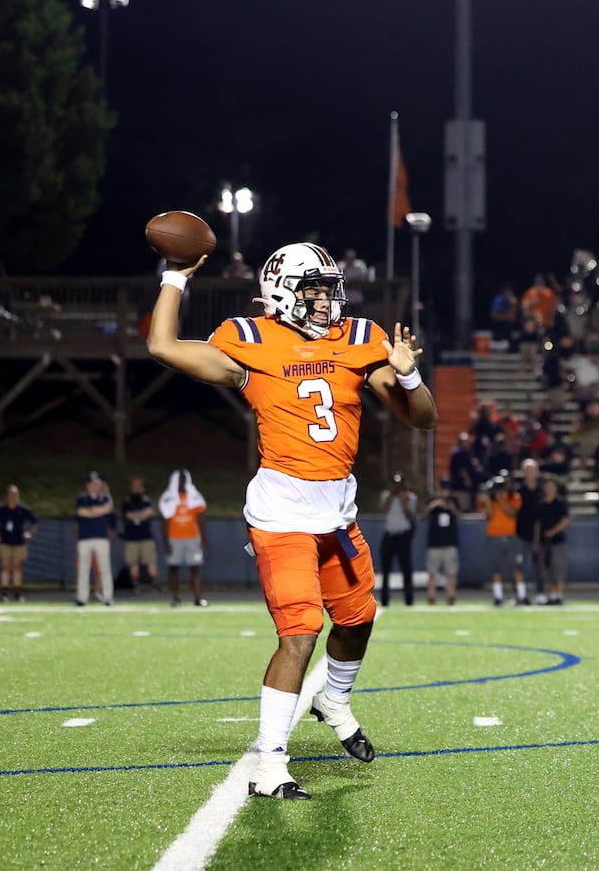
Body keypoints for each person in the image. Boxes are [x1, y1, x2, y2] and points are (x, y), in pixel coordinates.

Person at [147, 241, 437, 800]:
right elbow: (162, 345)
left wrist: (406, 377)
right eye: (315, 291)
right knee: (300, 634)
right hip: (282, 513)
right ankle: (269, 763)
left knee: (358, 618)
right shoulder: (251, 340)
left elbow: (422, 419)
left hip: (336, 511)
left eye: (330, 290)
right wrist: (175, 276)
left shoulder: (358, 339)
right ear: (282, 293)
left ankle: (334, 699)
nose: (328, 302)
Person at [159, 469, 209, 608]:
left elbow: (201, 518)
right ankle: (175, 598)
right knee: (173, 569)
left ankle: (198, 598)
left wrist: (204, 538)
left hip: (193, 537)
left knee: (195, 569)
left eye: (184, 479)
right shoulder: (168, 497)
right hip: (174, 538)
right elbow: (164, 520)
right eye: (179, 479)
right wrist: (165, 540)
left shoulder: (194, 497)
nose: (182, 482)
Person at [0, 484, 36, 602]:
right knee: (5, 567)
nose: (14, 497)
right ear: (7, 495)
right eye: (12, 494)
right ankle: (4, 593)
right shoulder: (1, 509)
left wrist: (30, 533)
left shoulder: (23, 509)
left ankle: (18, 593)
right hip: (5, 541)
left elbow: (36, 522)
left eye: (16, 494)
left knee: (17, 567)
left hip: (19, 542)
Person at [378, 472, 418, 607]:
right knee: (386, 568)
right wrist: (391, 496)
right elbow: (383, 511)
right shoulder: (386, 496)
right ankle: (384, 599)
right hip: (390, 534)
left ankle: (409, 599)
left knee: (406, 568)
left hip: (403, 535)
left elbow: (411, 514)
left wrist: (403, 500)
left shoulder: (410, 497)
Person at [75, 472, 115, 607]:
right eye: (92, 483)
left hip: (101, 538)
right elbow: (81, 512)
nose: (95, 486)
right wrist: (98, 511)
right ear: (88, 485)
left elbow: (108, 509)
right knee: (83, 569)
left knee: (105, 568)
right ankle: (82, 598)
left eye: (97, 483)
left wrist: (91, 511)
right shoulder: (82, 497)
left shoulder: (106, 497)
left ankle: (108, 597)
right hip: (85, 538)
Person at [484, 474, 523, 605]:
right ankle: (498, 596)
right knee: (496, 568)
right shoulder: (492, 499)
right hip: (494, 535)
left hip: (510, 535)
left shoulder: (514, 497)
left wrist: (500, 499)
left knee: (516, 567)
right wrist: (489, 498)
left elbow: (511, 513)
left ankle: (521, 595)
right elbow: (489, 515)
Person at [121, 477, 160, 591]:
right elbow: (128, 515)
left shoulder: (147, 500)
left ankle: (153, 584)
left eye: (139, 486)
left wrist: (137, 515)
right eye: (134, 486)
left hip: (146, 536)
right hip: (131, 537)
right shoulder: (127, 501)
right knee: (133, 562)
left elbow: (150, 512)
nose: (137, 488)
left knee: (151, 561)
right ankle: (135, 584)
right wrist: (142, 514)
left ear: (142, 487)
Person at [536, 476, 570, 605]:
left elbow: (565, 520)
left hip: (557, 541)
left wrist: (553, 531)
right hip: (543, 541)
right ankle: (551, 594)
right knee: (546, 569)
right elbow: (537, 524)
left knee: (558, 568)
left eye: (551, 485)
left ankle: (559, 595)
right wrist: (537, 539)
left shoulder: (560, 502)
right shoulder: (541, 503)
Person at [423, 492, 461, 606]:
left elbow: (459, 515)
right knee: (432, 573)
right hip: (434, 544)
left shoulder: (453, 500)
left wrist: (450, 507)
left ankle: (451, 596)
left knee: (451, 572)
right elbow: (423, 515)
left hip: (449, 543)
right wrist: (433, 505)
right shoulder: (433, 501)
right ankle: (431, 596)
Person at [514, 459, 542, 605]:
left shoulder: (541, 491)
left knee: (540, 567)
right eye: (527, 471)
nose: (530, 474)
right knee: (519, 566)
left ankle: (540, 594)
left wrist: (538, 538)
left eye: (532, 470)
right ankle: (521, 594)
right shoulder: (518, 491)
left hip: (541, 535)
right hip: (520, 534)